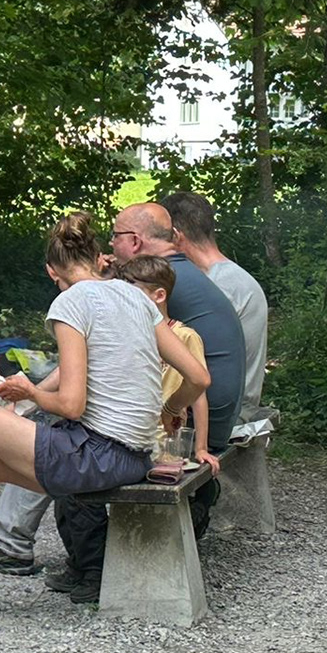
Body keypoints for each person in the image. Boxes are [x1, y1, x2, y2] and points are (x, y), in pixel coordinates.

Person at [0, 212, 208, 620]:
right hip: (134, 457)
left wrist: (30, 393)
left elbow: (72, 405)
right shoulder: (136, 298)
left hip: (96, 457)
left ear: (52, 271)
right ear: (98, 259)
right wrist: (171, 408)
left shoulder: (70, 303)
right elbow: (199, 376)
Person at [47, 200, 246, 590]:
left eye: (116, 237)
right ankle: (84, 565)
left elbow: (197, 385)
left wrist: (31, 394)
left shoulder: (149, 307)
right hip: (165, 428)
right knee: (70, 451)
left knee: (66, 462)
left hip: (161, 437)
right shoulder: (173, 283)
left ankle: (86, 567)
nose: (111, 246)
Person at [159, 191, 269, 410]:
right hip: (230, 404)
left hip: (228, 412)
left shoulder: (216, 286)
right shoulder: (231, 277)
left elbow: (186, 359)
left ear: (175, 236)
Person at [111, 255, 216, 470]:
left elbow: (198, 394)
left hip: (168, 441)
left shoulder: (184, 336)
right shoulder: (127, 336)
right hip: (130, 437)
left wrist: (201, 448)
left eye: (132, 293)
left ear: (159, 295)